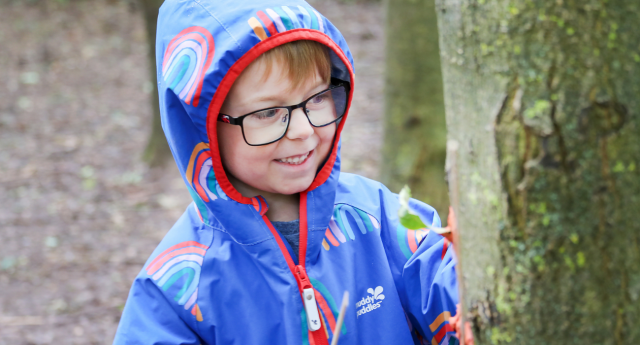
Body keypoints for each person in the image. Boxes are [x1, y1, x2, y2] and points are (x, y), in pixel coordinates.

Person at [113, 0, 469, 344]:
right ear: (203, 130)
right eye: (267, 113)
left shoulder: (378, 219)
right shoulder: (178, 285)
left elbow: (465, 299)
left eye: (316, 97)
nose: (302, 129)